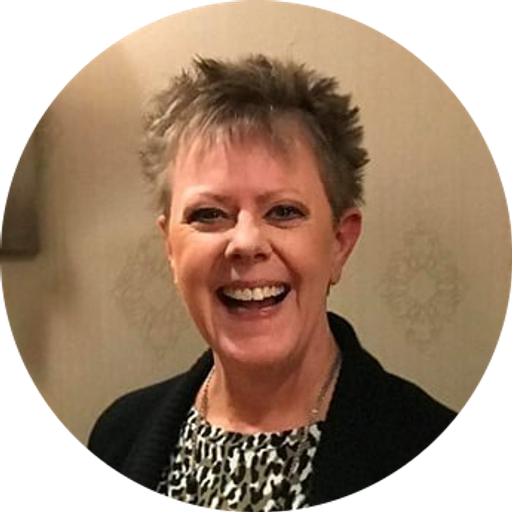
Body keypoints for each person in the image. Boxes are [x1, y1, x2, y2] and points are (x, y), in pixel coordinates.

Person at [87, 55, 457, 508]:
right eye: (209, 214)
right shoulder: (117, 437)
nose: (245, 243)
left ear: (339, 242)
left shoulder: (423, 438)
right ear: (169, 247)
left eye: (283, 211)